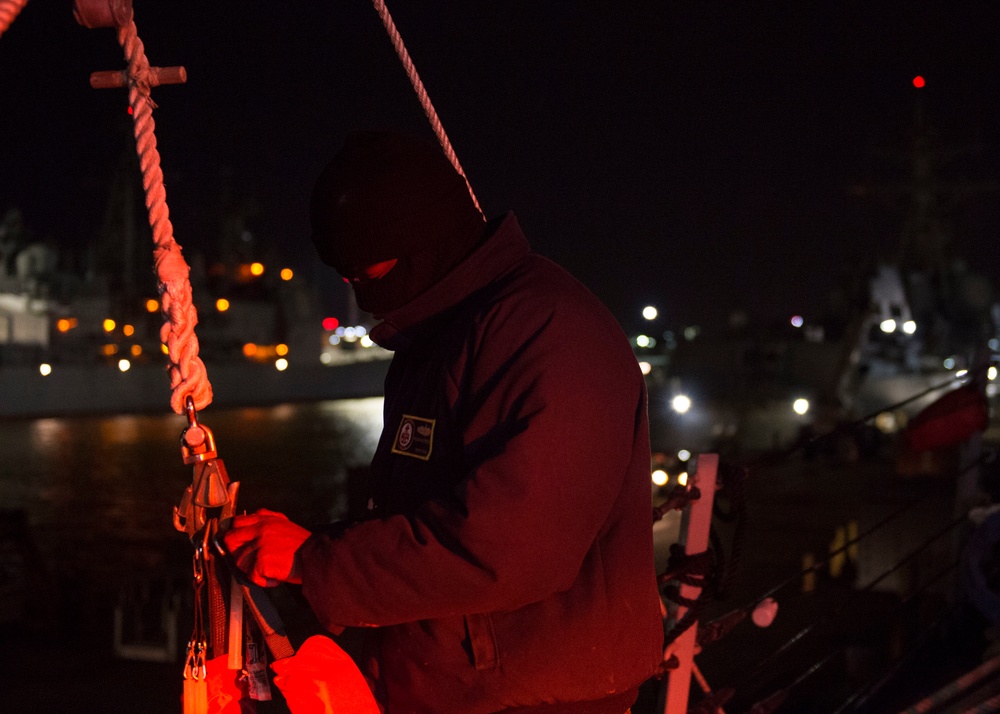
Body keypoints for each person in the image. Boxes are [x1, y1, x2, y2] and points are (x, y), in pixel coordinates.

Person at [223, 130, 664, 713]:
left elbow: (509, 551)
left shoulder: (548, 332)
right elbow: (428, 510)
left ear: (423, 243)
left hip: (534, 698)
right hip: (463, 688)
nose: (358, 289)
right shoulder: (448, 332)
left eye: (365, 270)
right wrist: (311, 543)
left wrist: (314, 562)